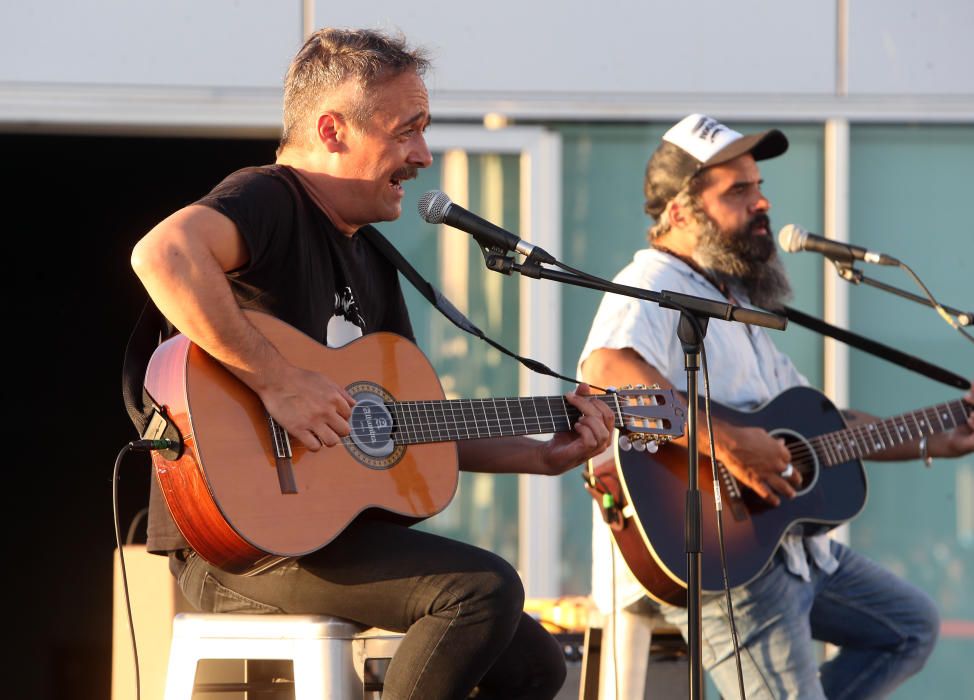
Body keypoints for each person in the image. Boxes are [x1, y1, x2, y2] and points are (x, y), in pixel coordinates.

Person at [129, 28, 614, 700]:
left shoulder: (372, 257)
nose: (423, 154)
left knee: (535, 663)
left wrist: (542, 455)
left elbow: (404, 425)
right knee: (479, 589)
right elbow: (163, 256)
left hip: (325, 536)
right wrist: (278, 381)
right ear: (332, 130)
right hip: (239, 547)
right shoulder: (271, 197)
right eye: (406, 130)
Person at [578, 114, 974, 699]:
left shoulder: (730, 300)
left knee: (909, 627)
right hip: (726, 560)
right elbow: (608, 371)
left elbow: (825, 429)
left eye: (759, 187)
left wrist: (933, 437)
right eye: (738, 191)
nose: (761, 203)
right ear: (681, 212)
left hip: (793, 553)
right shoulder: (651, 281)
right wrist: (734, 447)